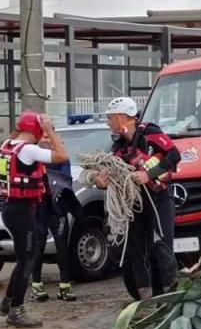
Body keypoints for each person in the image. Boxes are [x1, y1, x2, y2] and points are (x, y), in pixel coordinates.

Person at [94, 97, 180, 300]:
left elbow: (174, 155)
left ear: (121, 117)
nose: (108, 123)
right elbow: (110, 171)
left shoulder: (149, 133)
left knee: (162, 246)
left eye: (110, 118)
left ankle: (171, 295)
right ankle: (145, 300)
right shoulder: (118, 147)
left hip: (159, 198)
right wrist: (100, 182)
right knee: (137, 250)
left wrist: (148, 175)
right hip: (135, 204)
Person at [0, 111, 68, 328]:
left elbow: (16, 137)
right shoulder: (28, 150)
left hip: (11, 209)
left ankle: (7, 303)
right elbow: (62, 155)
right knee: (27, 261)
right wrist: (49, 129)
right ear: (37, 129)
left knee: (23, 259)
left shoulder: (7, 145)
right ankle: (16, 311)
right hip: (22, 212)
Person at [30, 130, 77, 302]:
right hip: (39, 207)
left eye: (50, 137)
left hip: (57, 207)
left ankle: (65, 285)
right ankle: (36, 285)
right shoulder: (33, 157)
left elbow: (65, 179)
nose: (47, 140)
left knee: (62, 244)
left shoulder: (61, 157)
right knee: (38, 244)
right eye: (44, 137)